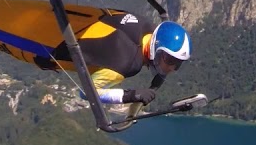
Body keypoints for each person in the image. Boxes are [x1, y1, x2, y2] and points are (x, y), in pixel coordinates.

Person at [32, 12, 192, 110]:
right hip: (42, 48)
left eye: (178, 63)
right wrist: (131, 95)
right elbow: (87, 92)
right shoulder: (128, 63)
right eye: (170, 60)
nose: (172, 68)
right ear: (157, 50)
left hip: (65, 20)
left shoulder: (146, 26)